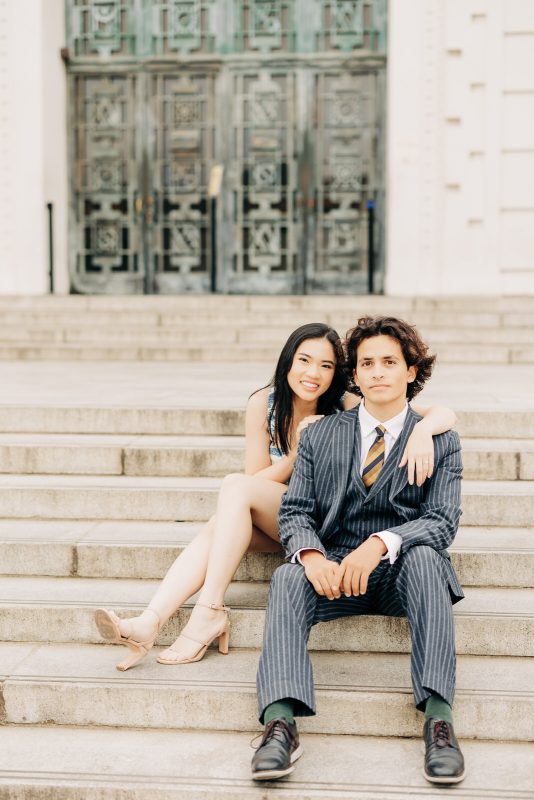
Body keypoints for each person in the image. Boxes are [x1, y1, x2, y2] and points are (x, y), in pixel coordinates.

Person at [95, 321, 456, 673]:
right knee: (226, 513)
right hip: (282, 510)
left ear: (339, 374)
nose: (312, 372)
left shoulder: (347, 403)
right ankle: (153, 619)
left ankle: (204, 612)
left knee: (227, 505)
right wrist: (299, 452)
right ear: (288, 362)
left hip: (321, 520)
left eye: (326, 365)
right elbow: (256, 479)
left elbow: (441, 413)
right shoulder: (263, 404)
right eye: (304, 360)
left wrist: (423, 431)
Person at [252, 316, 465, 786]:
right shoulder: (321, 434)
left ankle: (439, 720)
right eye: (366, 363)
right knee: (288, 575)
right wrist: (310, 555)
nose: (377, 372)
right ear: (355, 373)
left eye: (390, 362)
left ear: (411, 371)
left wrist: (381, 543)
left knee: (430, 558)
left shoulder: (440, 439)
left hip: (402, 571)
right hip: (335, 571)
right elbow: (296, 511)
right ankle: (279, 722)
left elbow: (441, 522)